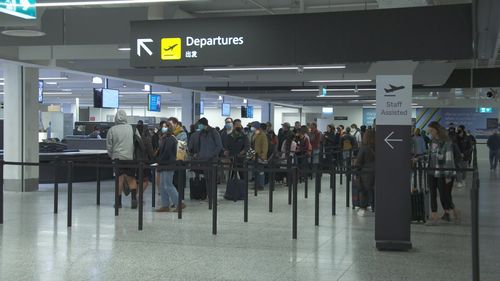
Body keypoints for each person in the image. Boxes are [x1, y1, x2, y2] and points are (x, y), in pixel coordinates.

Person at [426, 121, 460, 225]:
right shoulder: (432, 141)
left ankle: (450, 211)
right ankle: (434, 214)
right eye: (429, 131)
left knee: (444, 194)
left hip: (442, 172)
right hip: (431, 171)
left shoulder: (446, 142)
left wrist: (448, 175)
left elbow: (449, 159)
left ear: (437, 130)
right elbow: (431, 155)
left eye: (431, 130)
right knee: (432, 192)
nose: (430, 133)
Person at [106, 110, 138, 209]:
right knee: (131, 179)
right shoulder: (133, 129)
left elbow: (109, 146)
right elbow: (139, 143)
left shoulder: (112, 130)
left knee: (119, 180)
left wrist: (112, 156)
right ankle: (133, 199)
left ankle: (118, 203)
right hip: (130, 158)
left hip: (117, 158)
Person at [155, 122, 185, 212]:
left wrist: (159, 160)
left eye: (165, 127)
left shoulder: (170, 139)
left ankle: (179, 203)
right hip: (164, 164)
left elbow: (166, 152)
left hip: (168, 164)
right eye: (163, 127)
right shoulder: (166, 138)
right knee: (162, 185)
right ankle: (165, 205)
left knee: (168, 185)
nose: (163, 128)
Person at [355, 128, 376, 215]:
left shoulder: (364, 148)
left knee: (363, 190)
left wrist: (356, 170)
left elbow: (359, 161)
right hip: (376, 171)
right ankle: (373, 206)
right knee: (373, 190)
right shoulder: (379, 147)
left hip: (365, 172)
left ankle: (363, 206)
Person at [136, 121, 155, 192]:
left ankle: (136, 195)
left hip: (134, 162)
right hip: (145, 162)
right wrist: (153, 160)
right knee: (145, 181)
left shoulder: (134, 140)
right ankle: (139, 195)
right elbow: (150, 152)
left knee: (137, 180)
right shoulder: (146, 140)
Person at [251, 123, 268, 190]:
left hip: (260, 156)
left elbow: (265, 146)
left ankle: (261, 185)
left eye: (253, 127)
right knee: (255, 171)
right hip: (254, 156)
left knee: (260, 171)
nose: (252, 128)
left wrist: (263, 156)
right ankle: (256, 185)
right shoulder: (254, 134)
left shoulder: (262, 135)